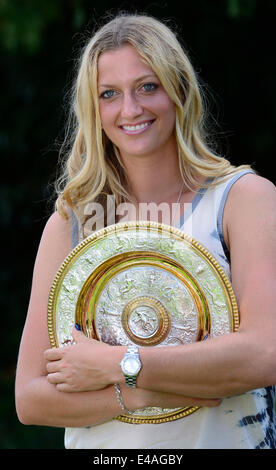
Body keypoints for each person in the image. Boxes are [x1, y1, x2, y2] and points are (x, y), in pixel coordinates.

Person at [15, 13, 276, 449]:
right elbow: (30, 399)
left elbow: (265, 353)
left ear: (179, 91)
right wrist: (144, 390)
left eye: (148, 87)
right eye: (109, 94)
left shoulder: (243, 199)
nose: (131, 109)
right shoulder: (71, 224)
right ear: (93, 110)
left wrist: (117, 362)